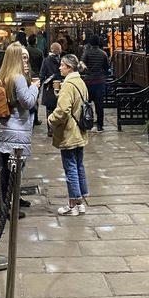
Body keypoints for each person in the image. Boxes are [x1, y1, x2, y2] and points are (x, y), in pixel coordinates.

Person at [0, 42, 39, 219]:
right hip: (16, 129)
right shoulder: (18, 78)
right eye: (23, 57)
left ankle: (5, 204)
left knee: (5, 170)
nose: (26, 61)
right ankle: (5, 209)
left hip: (3, 128)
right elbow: (27, 102)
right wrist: (34, 87)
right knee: (12, 171)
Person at [48, 54, 89, 216]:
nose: (60, 68)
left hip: (69, 132)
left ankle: (72, 205)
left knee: (70, 167)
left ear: (69, 67)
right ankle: (80, 203)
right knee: (79, 165)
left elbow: (63, 111)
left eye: (62, 65)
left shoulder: (68, 85)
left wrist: (51, 118)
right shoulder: (80, 82)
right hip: (80, 130)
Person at [81, 34, 110, 132]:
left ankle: (88, 122)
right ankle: (100, 125)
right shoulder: (103, 53)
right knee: (99, 105)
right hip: (99, 81)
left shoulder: (86, 53)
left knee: (87, 104)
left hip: (88, 81)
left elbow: (82, 65)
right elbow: (107, 68)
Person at [40, 42, 63, 137]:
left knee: (49, 110)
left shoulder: (46, 61)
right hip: (60, 87)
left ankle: (50, 129)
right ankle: (58, 128)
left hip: (49, 88)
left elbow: (42, 75)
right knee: (59, 109)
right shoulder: (62, 61)